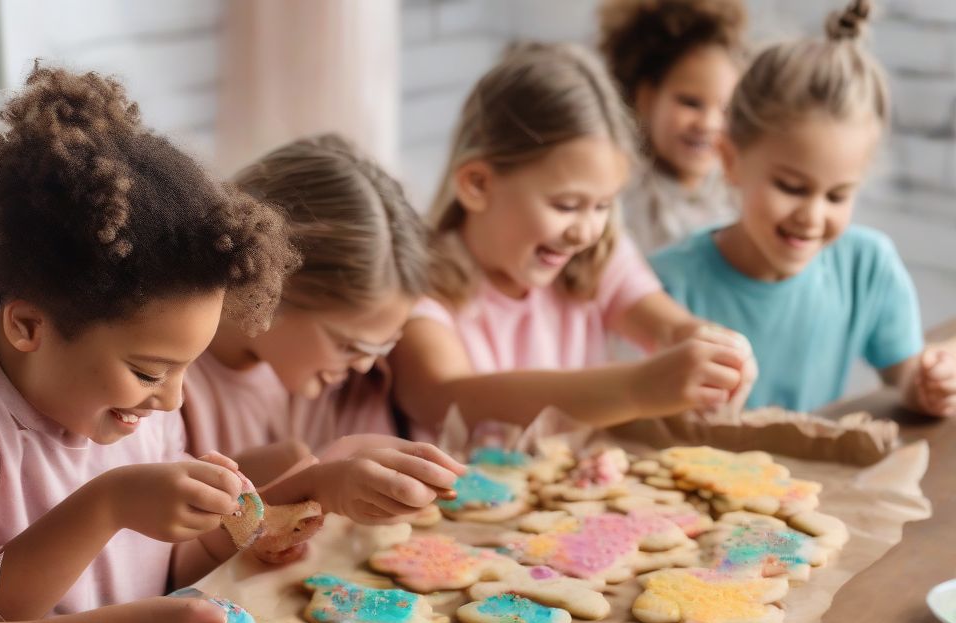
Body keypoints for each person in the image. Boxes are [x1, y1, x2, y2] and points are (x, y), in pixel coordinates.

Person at [0, 65, 292, 623]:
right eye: (152, 370)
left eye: (188, 368)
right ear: (30, 324)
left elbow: (155, 571)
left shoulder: (121, 404)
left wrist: (233, 528)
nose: (171, 402)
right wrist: (109, 519)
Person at [391, 42, 755, 437]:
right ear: (477, 184)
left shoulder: (598, 258)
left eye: (602, 205)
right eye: (566, 205)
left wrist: (715, 349)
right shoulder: (418, 286)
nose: (585, 231)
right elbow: (442, 398)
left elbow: (669, 329)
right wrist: (635, 389)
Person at [650, 0, 956, 414]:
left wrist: (930, 384)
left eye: (837, 196)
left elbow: (904, 373)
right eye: (791, 187)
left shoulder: (867, 266)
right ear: (730, 159)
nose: (812, 217)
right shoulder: (665, 287)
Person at [184, 133, 463, 521]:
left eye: (379, 349)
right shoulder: (166, 384)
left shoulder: (323, 380)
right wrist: (288, 476)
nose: (364, 366)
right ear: (272, 283)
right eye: (350, 346)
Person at [598, 0, 747, 252]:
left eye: (725, 110)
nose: (709, 124)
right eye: (690, 103)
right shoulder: (620, 195)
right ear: (646, 98)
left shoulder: (739, 190)